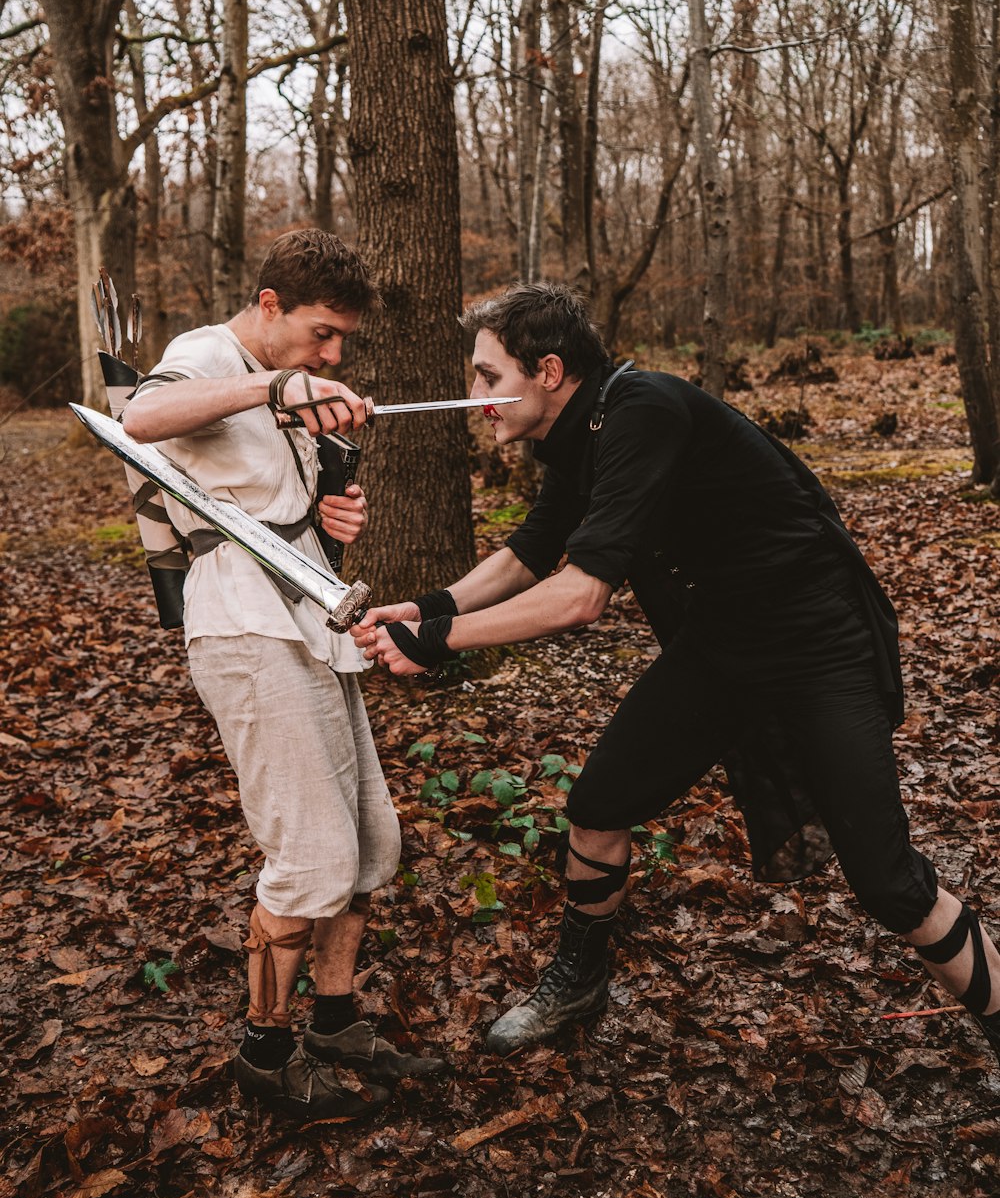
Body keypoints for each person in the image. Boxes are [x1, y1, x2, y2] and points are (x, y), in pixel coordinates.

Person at [352, 281, 1000, 1064]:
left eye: (488, 377)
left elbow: (581, 596)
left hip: (818, 642)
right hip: (720, 642)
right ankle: (581, 980)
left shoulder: (644, 412)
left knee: (887, 880)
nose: (474, 396)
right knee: (598, 805)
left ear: (549, 371)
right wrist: (423, 609)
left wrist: (438, 642)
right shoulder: (576, 434)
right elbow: (532, 550)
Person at [123, 228, 445, 1120]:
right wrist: (278, 383)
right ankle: (264, 1055)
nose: (331, 353)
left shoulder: (291, 381)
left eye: (341, 340)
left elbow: (272, 506)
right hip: (243, 631)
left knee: (372, 845)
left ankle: (335, 1022)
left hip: (312, 620)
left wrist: (328, 517)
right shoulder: (205, 355)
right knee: (309, 857)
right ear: (269, 307)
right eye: (319, 334)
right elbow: (139, 423)